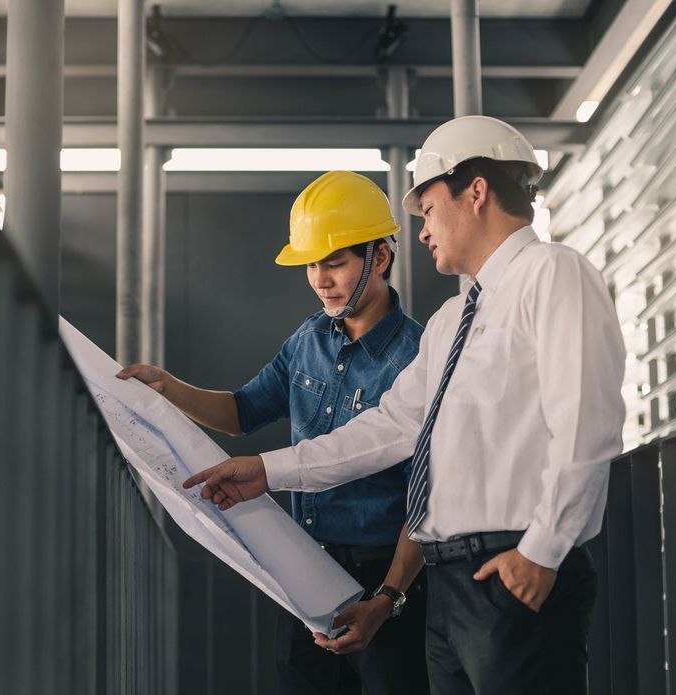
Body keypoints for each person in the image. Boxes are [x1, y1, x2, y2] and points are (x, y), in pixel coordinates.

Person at [183, 116, 627, 695]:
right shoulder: (452, 320)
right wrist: (268, 470)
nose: (422, 232)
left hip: (514, 565)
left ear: (477, 192)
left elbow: (587, 424)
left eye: (429, 211)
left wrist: (543, 552)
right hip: (450, 581)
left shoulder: (554, 274)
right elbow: (390, 428)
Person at [117, 170, 431, 695]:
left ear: (379, 256)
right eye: (311, 263)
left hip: (385, 576)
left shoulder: (419, 358)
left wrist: (390, 596)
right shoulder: (307, 340)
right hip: (303, 569)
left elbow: (429, 494)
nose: (319, 279)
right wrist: (169, 388)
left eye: (334, 262)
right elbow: (243, 412)